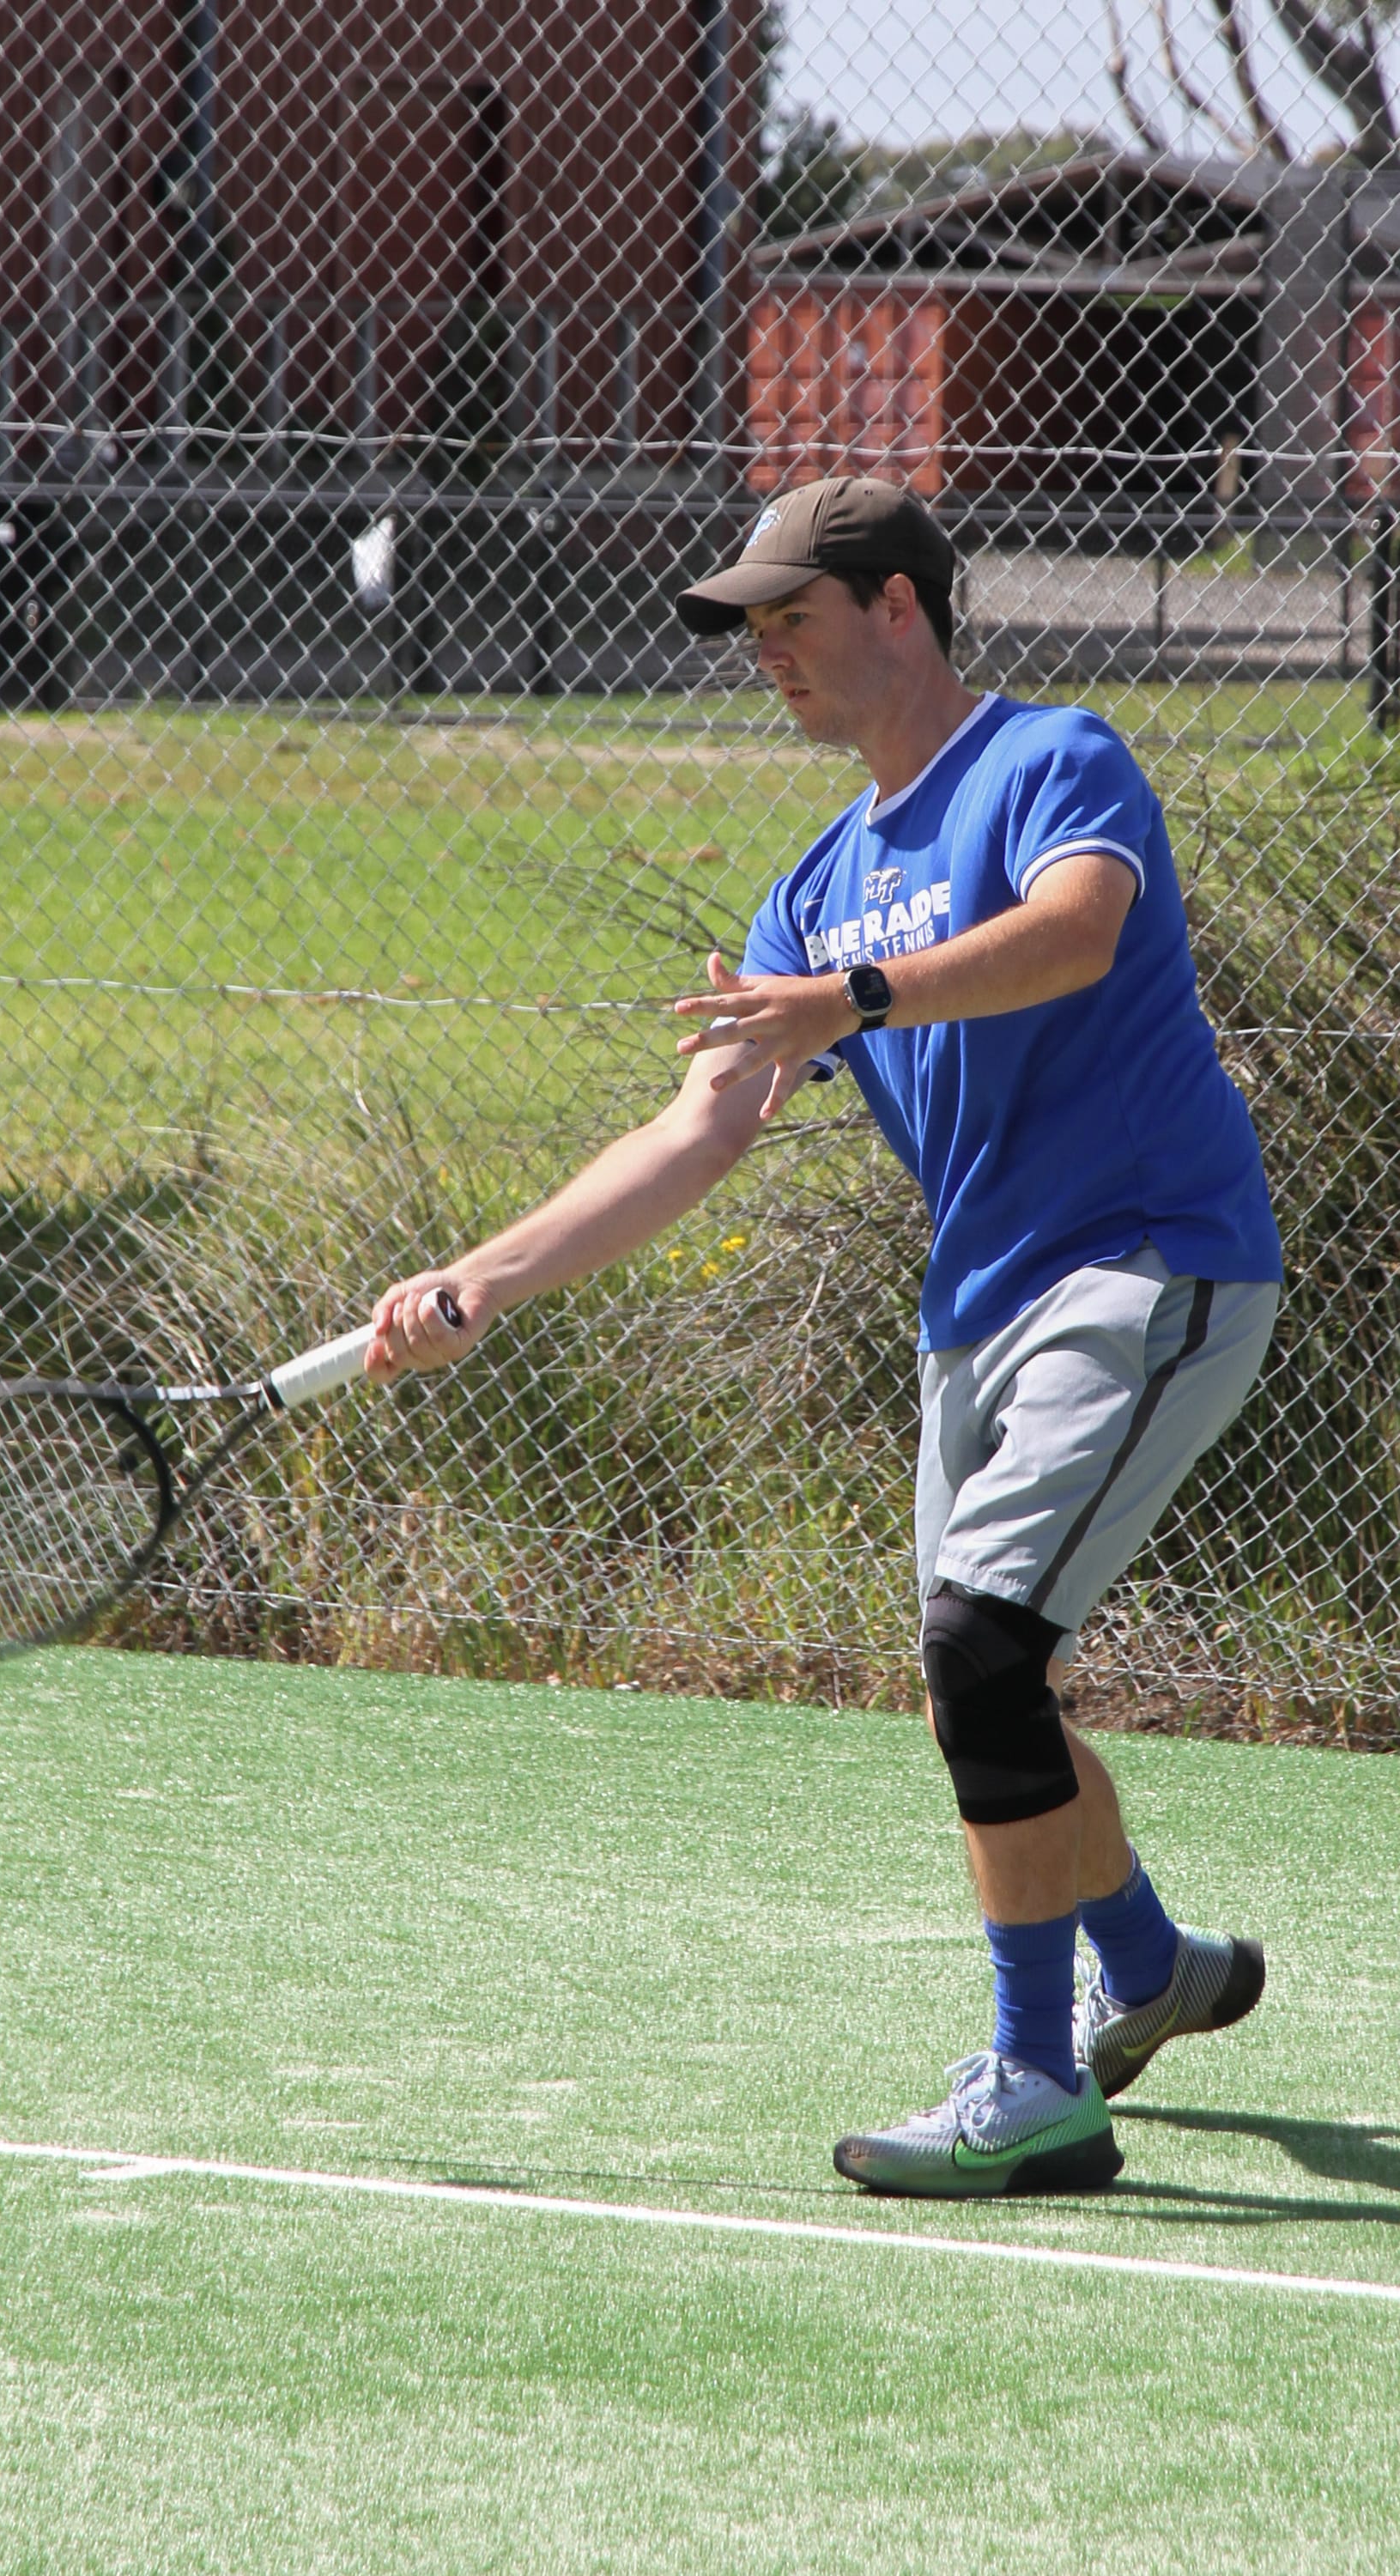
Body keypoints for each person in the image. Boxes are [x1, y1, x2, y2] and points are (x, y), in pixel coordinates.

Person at [364, 473, 1282, 2201]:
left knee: (978, 1648)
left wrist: (853, 1000)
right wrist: (478, 1279)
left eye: (793, 618)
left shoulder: (1050, 759)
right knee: (982, 1684)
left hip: (1150, 1265)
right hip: (983, 1301)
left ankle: (1032, 2085)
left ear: (900, 611)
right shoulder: (809, 890)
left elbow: (1075, 938)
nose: (765, 654)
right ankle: (1148, 1968)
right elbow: (691, 1131)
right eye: (751, 630)